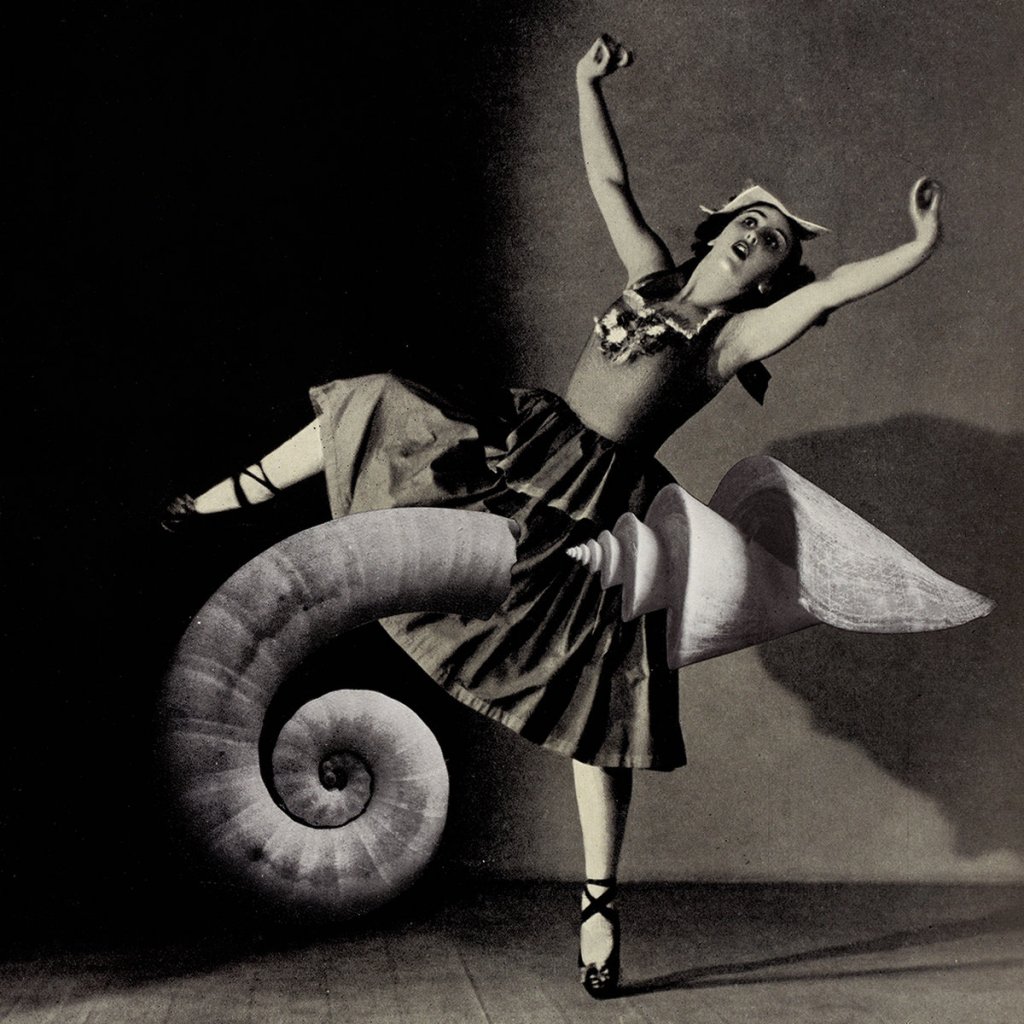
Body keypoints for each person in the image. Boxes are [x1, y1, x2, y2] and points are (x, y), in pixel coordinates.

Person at [164, 34, 945, 999]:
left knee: (601, 710)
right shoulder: (650, 274)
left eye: (774, 243)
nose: (757, 237)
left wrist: (916, 250)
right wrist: (585, 85)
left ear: (767, 282)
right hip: (518, 451)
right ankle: (221, 499)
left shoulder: (730, 340)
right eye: (750, 221)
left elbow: (833, 290)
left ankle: (599, 908)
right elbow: (609, 182)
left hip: (592, 515)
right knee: (376, 400)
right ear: (718, 232)